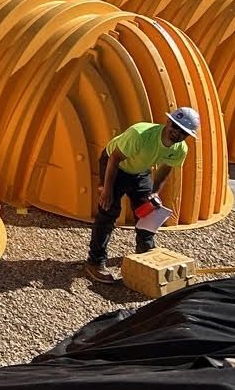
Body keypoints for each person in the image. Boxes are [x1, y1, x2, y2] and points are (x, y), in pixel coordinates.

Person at [84, 107, 202, 282]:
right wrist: (107, 190)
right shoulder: (140, 134)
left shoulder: (180, 149)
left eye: (183, 132)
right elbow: (114, 158)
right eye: (175, 127)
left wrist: (154, 193)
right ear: (168, 122)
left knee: (149, 211)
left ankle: (145, 250)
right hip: (116, 166)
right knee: (108, 211)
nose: (177, 133)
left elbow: (165, 169)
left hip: (139, 171)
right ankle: (95, 261)